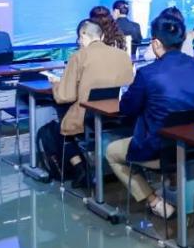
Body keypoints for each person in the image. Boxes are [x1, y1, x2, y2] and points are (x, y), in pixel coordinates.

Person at [107, 13, 194, 219]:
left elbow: (127, 108)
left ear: (156, 43)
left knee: (111, 152)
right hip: (193, 145)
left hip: (158, 150)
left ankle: (155, 202)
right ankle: (173, 183)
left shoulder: (147, 73)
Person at [50, 20, 134, 186]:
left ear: (82, 36)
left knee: (60, 128)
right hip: (120, 115)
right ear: (101, 36)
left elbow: (66, 96)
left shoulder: (79, 56)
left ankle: (80, 167)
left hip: (87, 116)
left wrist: (56, 84)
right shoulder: (123, 55)